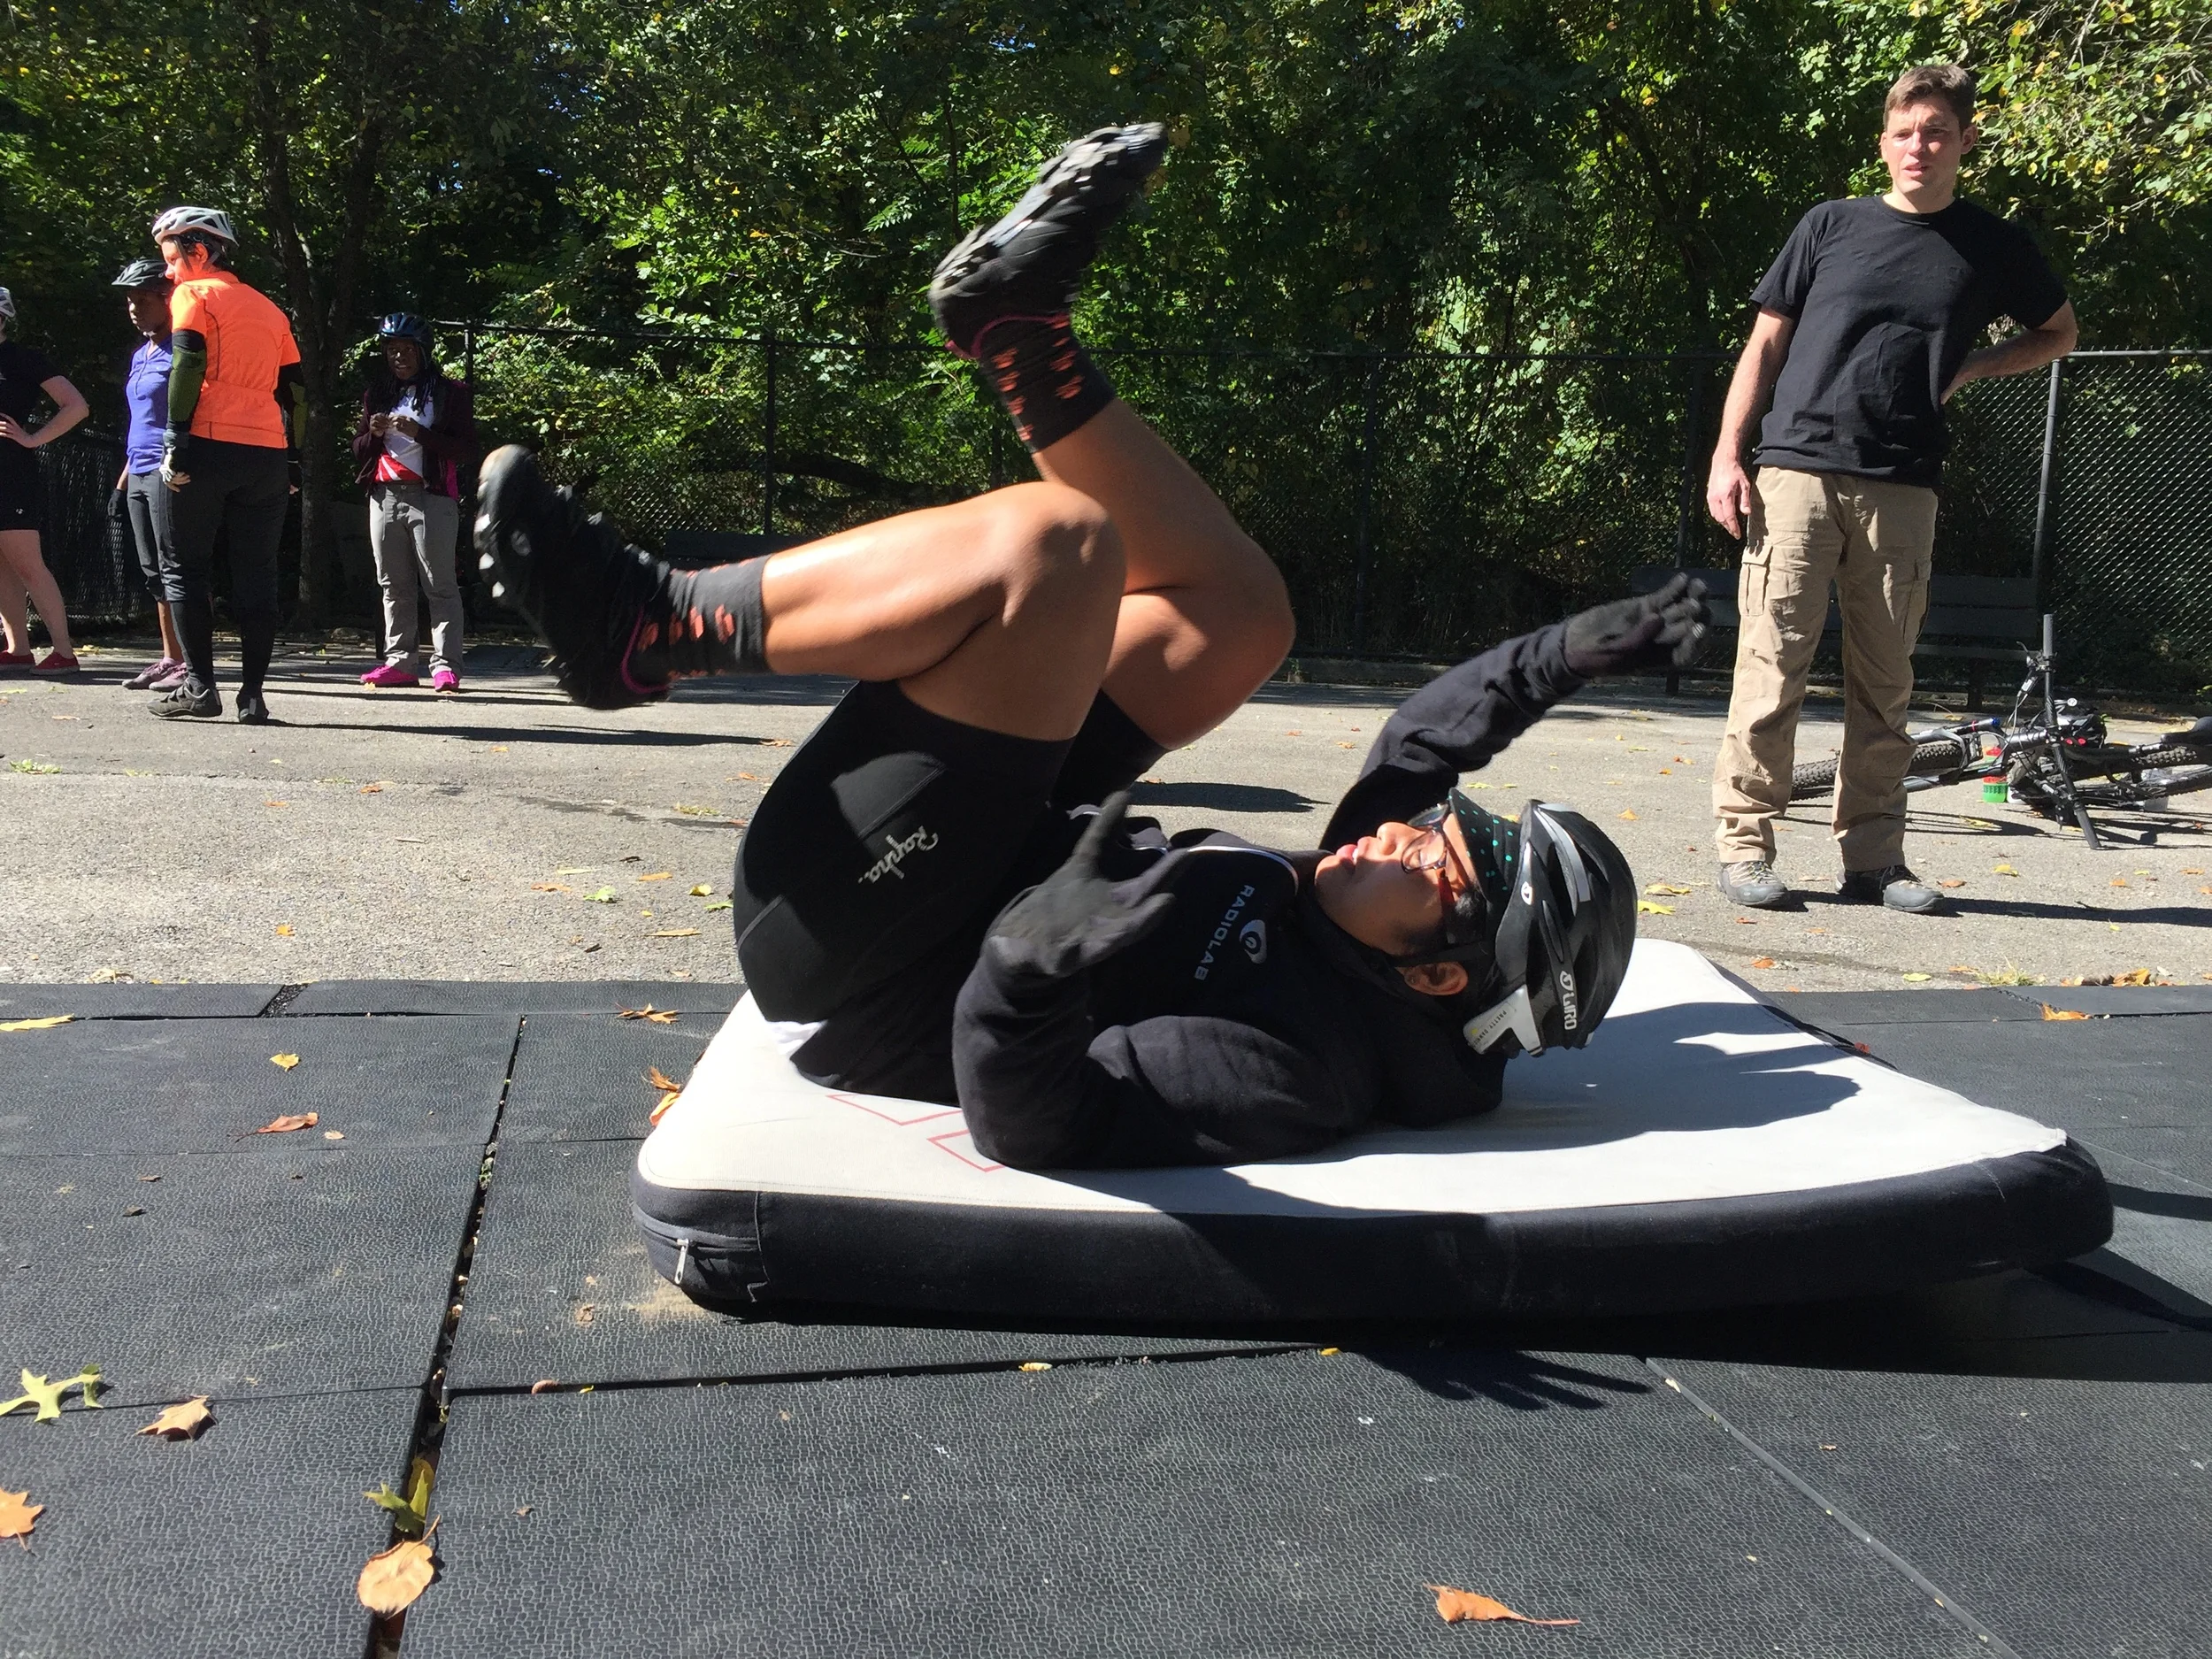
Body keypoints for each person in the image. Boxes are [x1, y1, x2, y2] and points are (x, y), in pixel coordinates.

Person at [477, 125, 1707, 1170]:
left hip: (869, 947)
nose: (1401, 832)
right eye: (1441, 828)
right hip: (981, 860)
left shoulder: (1303, 1066)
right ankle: (1017, 331)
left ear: (1441, 978)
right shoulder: (1368, 916)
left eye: (1440, 867)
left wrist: (1028, 961)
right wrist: (1567, 649)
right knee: (1242, 615)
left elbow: (1044, 1115)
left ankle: (651, 626)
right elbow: (1420, 742)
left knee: (1053, 551)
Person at [1706, 63, 2077, 914]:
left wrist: (1977, 365)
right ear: (1885, 142)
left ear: (1965, 141)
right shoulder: (1829, 226)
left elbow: (2058, 332)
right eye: (1905, 132)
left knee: (1886, 685)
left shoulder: (1992, 246)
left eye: (1937, 130)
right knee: (1770, 671)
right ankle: (1746, 846)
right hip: (1793, 470)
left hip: (1903, 485)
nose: (1920, 145)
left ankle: (1874, 861)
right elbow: (1762, 346)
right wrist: (1729, 455)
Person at [147, 206, 307, 724]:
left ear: (198, 251)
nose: (168, 273)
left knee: (184, 568)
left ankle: (200, 688)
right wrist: (294, 460)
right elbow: (297, 393)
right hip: (266, 453)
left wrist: (176, 436)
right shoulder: (271, 310)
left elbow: (188, 361)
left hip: (207, 445)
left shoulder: (192, 295)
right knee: (256, 573)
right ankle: (254, 696)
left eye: (172, 259)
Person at [353, 313, 479, 693]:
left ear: (423, 352)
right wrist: (374, 435)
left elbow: (466, 448)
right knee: (392, 584)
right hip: (384, 496)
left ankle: (446, 666)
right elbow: (358, 451)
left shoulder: (450, 393)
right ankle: (400, 663)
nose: (400, 358)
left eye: (408, 350)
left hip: (432, 498)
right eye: (392, 351)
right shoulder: (377, 393)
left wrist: (420, 434)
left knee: (439, 584)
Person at [0, 285, 90, 674]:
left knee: (26, 561)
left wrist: (33, 438)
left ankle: (64, 652)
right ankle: (18, 649)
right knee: (1, 564)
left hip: (12, 472)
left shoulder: (24, 359)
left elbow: (77, 406)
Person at [108, 258, 188, 690]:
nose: (134, 309)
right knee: (152, 569)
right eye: (129, 302)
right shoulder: (142, 353)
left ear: (167, 299)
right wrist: (124, 478)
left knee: (177, 565)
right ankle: (169, 657)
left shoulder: (183, 350)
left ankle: (192, 661)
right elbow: (141, 420)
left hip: (167, 470)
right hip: (137, 469)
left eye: (142, 300)